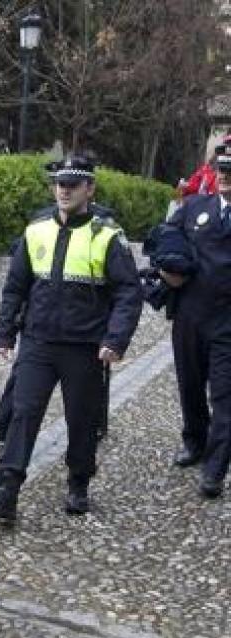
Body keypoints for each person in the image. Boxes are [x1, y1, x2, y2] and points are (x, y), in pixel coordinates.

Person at [0, 155, 142, 521]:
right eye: (59, 183)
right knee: (23, 412)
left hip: (84, 347)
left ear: (89, 189)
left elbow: (129, 292)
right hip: (38, 341)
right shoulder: (36, 229)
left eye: (73, 184)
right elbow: (16, 285)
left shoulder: (107, 234)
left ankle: (79, 482)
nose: (64, 190)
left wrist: (115, 340)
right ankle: (8, 487)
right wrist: (5, 332)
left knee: (82, 419)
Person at [155, 142, 231, 498]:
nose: (226, 178)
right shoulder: (195, 206)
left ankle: (215, 470)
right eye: (223, 171)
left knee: (225, 397)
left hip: (228, 322)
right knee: (190, 383)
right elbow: (167, 240)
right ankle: (195, 440)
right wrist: (166, 267)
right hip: (190, 312)